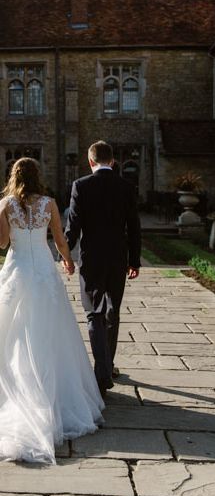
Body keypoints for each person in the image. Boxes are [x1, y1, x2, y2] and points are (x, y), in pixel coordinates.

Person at [0, 158, 104, 464]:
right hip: (44, 271)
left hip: (18, 269)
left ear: (14, 176)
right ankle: (56, 395)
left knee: (14, 331)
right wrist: (68, 261)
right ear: (37, 176)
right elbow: (59, 239)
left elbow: (4, 243)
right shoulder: (49, 203)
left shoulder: (5, 204)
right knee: (50, 332)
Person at [65, 141, 141, 398]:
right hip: (118, 258)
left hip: (92, 259)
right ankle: (107, 366)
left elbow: (73, 225)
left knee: (94, 313)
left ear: (90, 162)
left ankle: (102, 372)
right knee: (112, 311)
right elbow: (134, 227)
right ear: (112, 161)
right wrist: (135, 260)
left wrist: (66, 254)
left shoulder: (81, 186)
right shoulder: (126, 187)